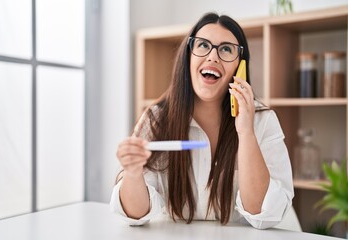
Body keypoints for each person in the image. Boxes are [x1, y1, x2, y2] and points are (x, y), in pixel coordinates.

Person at [110, 12, 294, 229]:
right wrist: (133, 172)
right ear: (188, 56)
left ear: (239, 67)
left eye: (226, 49)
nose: (213, 57)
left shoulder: (263, 122)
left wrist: (246, 133)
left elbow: (262, 213)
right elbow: (135, 215)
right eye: (203, 45)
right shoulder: (156, 119)